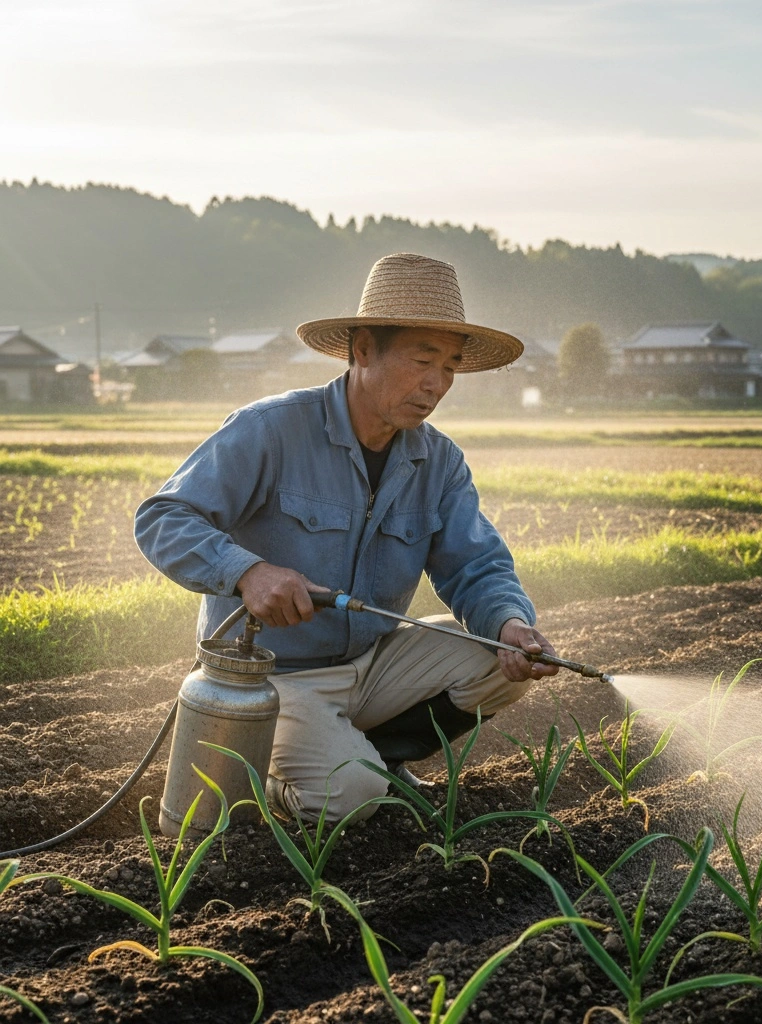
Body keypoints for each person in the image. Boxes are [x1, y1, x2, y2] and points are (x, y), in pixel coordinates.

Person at [135, 253, 558, 824]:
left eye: (451, 367)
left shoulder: (439, 462)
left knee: (494, 658)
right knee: (352, 797)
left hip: (371, 662)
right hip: (276, 678)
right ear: (363, 350)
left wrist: (510, 622)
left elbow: (474, 565)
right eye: (422, 360)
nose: (436, 384)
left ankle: (378, 754)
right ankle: (285, 780)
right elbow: (163, 516)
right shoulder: (271, 430)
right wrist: (247, 571)